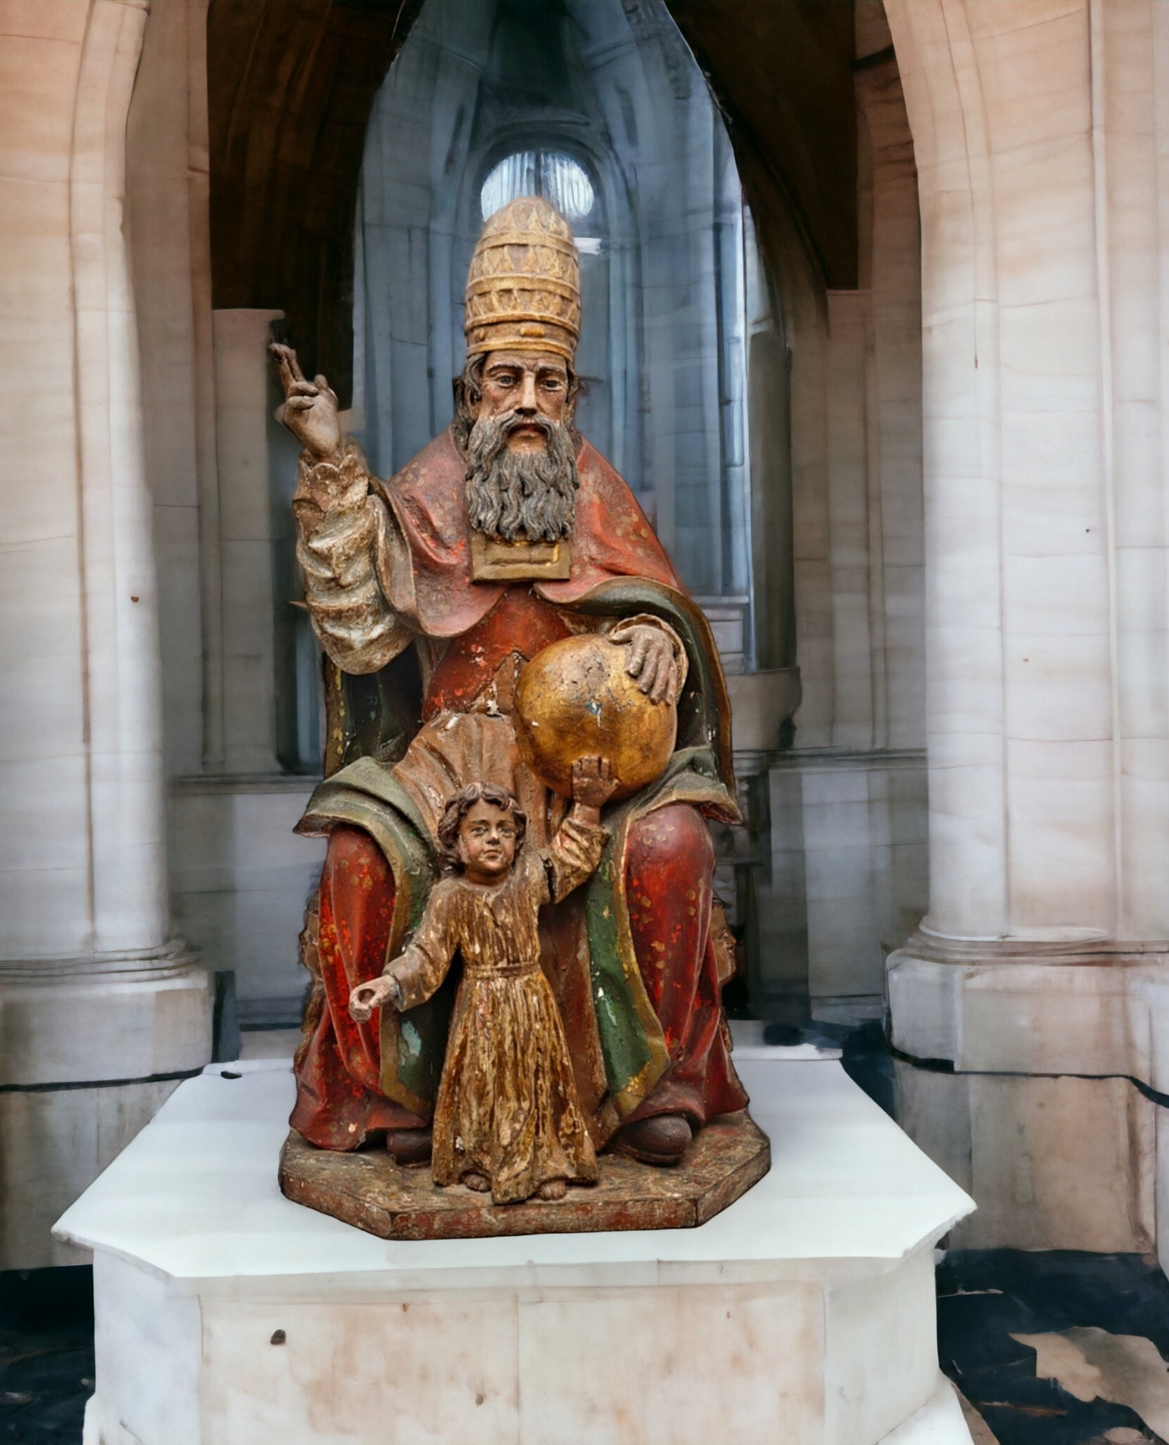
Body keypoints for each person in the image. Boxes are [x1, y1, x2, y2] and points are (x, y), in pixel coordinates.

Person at [279, 195, 748, 1169]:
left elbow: (651, 597)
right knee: (357, 860)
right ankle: (389, 1092)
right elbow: (360, 630)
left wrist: (657, 634)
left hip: (580, 764)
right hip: (446, 760)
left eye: (548, 379)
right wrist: (330, 462)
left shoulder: (592, 487)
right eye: (506, 377)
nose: (528, 398)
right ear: (470, 387)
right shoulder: (429, 487)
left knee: (673, 840)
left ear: (573, 394)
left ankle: (654, 1085)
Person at [348, 758, 617, 1204]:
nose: (494, 838)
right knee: (482, 1086)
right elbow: (426, 957)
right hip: (481, 1007)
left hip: (531, 1001)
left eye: (505, 830)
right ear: (456, 840)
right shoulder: (449, 896)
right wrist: (388, 984)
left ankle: (547, 1163)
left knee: (536, 1084)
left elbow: (571, 861)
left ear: (517, 840)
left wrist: (588, 807)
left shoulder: (530, 875)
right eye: (480, 830)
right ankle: (479, 1160)